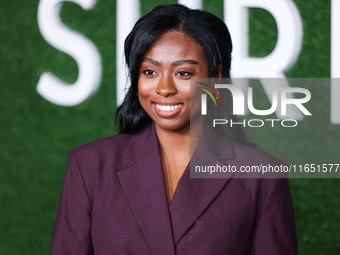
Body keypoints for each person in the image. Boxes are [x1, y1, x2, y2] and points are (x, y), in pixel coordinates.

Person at [51, 4, 297, 255]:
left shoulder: (263, 174)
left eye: (183, 73)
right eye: (149, 71)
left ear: (215, 76)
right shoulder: (90, 165)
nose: (165, 88)